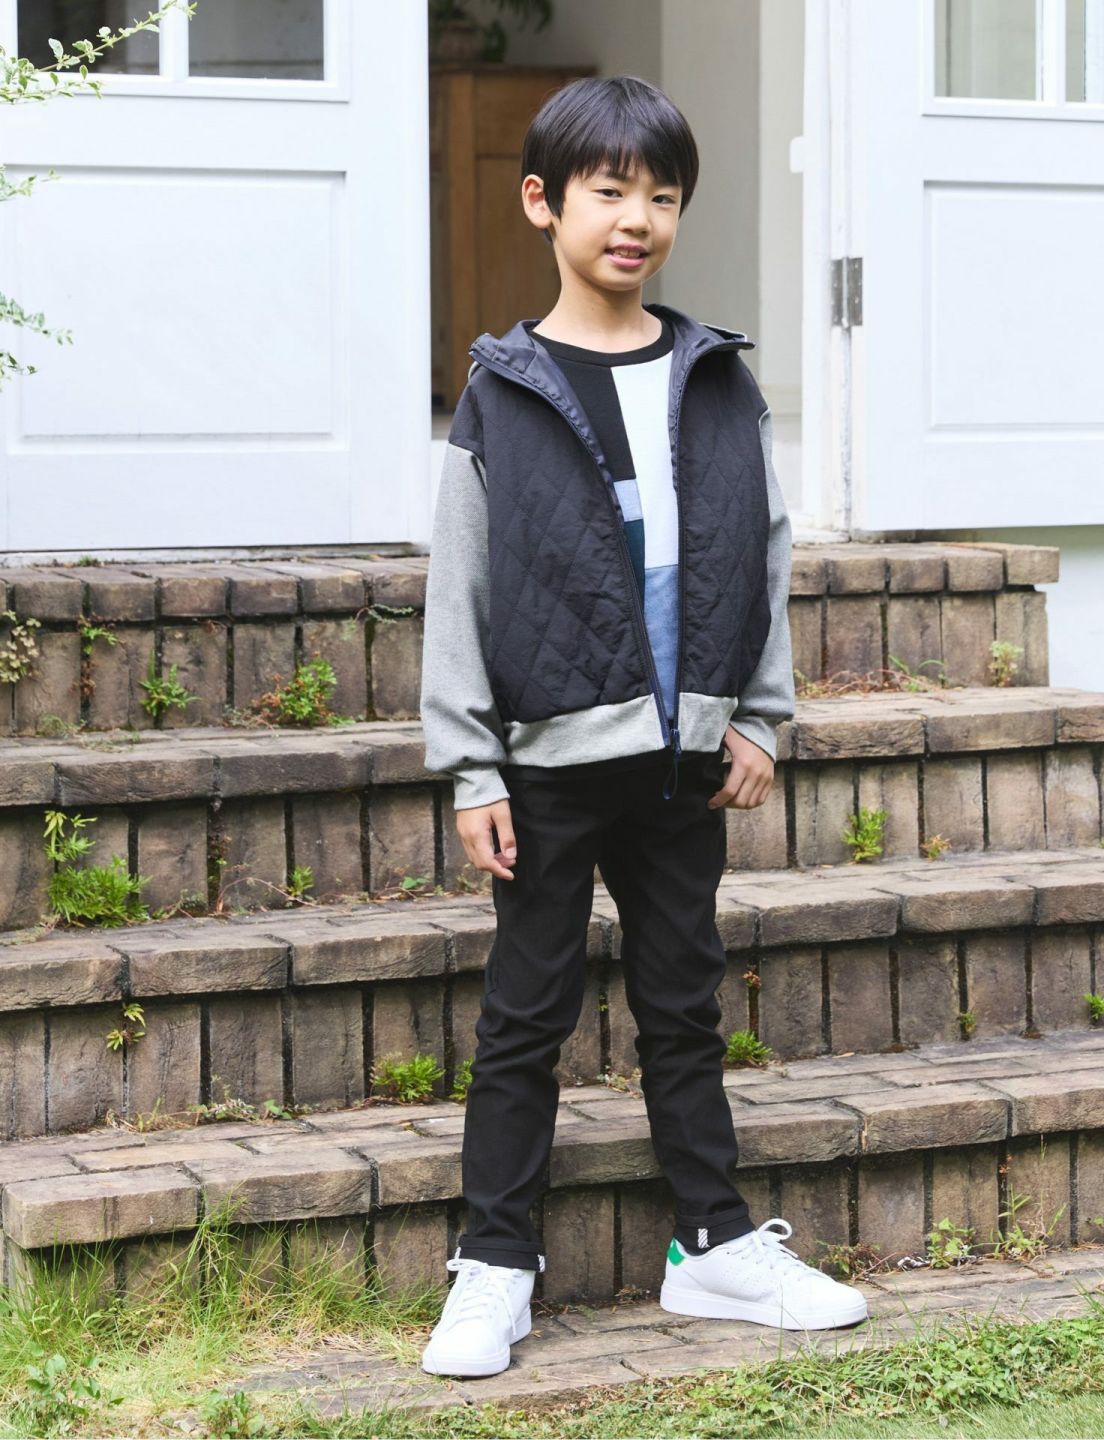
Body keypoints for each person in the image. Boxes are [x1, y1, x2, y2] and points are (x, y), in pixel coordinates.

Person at [419, 74, 868, 1379]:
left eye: (662, 197)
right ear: (542, 203)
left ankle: (713, 1246)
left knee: (683, 1003)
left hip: (685, 765)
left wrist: (762, 717)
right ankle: (495, 1266)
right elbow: (463, 585)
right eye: (610, 191)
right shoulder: (504, 388)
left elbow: (761, 553)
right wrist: (471, 766)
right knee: (526, 1016)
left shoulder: (714, 376)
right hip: (548, 767)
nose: (637, 220)